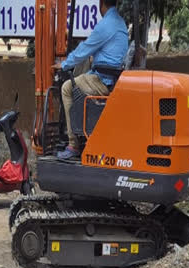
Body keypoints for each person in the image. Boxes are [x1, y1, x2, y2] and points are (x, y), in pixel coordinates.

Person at [56, 0, 128, 160]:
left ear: (101, 4)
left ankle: (73, 144)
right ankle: (81, 133)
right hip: (112, 77)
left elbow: (84, 49)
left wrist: (64, 65)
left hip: (103, 81)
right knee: (85, 67)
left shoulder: (106, 25)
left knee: (67, 88)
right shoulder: (121, 23)